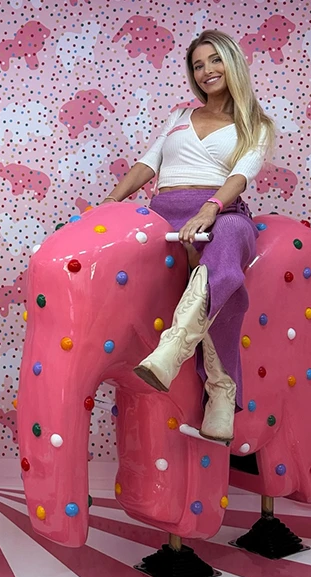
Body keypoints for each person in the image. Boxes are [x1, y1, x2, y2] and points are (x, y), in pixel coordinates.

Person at [103, 30, 274, 442]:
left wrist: (211, 208)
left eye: (214, 60)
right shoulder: (179, 117)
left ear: (231, 63)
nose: (206, 71)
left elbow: (241, 176)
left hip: (221, 210)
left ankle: (171, 352)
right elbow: (148, 164)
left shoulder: (256, 123)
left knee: (231, 234)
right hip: (166, 211)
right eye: (198, 65)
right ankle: (221, 393)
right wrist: (110, 202)